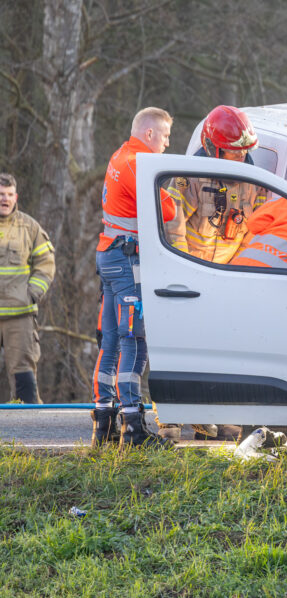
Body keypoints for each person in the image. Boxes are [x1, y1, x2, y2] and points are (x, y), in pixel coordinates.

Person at [93, 107, 177, 447]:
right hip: (126, 259)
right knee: (134, 338)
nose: (168, 144)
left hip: (109, 255)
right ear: (150, 134)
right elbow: (167, 211)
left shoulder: (120, 154)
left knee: (111, 338)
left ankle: (103, 420)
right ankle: (134, 427)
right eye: (167, 136)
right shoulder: (137, 164)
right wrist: (168, 190)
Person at [164, 105, 267, 264]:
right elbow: (172, 225)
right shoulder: (190, 177)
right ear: (213, 148)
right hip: (191, 266)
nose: (241, 154)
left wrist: (236, 267)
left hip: (227, 273)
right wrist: (183, 265)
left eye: (245, 149)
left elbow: (255, 231)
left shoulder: (256, 184)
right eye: (234, 149)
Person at [0, 174, 55, 406]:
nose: (5, 199)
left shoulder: (29, 227)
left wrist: (32, 293)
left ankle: (30, 431)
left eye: (9, 194)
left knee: (23, 375)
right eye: (1, 194)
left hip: (19, 316)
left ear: (16, 197)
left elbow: (46, 263)